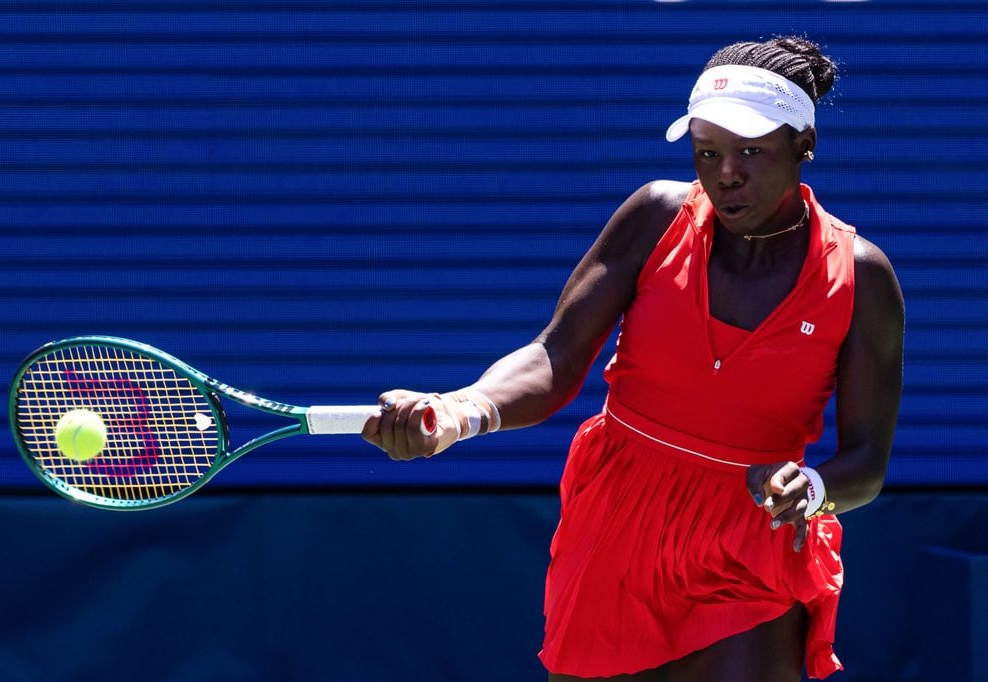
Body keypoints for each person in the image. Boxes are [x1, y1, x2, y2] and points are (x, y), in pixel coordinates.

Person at [362, 36, 904, 682]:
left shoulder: (861, 278)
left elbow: (867, 463)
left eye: (750, 152)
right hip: (616, 523)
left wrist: (812, 489)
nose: (725, 172)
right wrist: (461, 411)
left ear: (803, 146)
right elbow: (555, 356)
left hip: (749, 538)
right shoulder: (654, 216)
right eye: (707, 153)